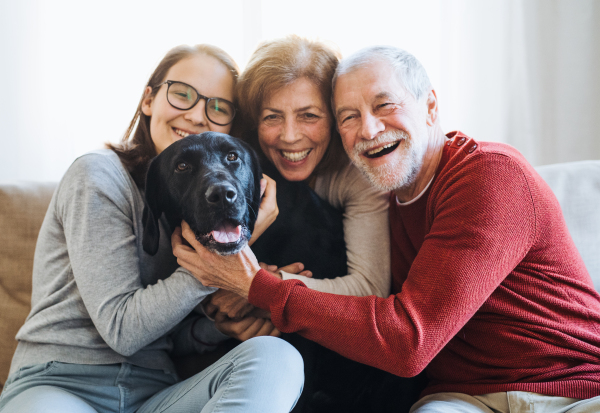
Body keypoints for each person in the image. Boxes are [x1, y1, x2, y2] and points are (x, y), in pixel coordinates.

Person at [172, 45, 600, 412]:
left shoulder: (489, 175)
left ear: (431, 106)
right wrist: (248, 309)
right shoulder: (379, 192)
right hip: (461, 398)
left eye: (385, 105)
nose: (370, 129)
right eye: (349, 116)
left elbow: (408, 341)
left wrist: (258, 287)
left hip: (570, 386)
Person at [0, 44, 303, 413]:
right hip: (61, 382)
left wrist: (219, 328)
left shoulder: (199, 205)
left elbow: (169, 334)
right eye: (182, 94)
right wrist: (232, 253)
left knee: (277, 358)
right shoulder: (98, 175)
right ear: (148, 100)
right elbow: (122, 330)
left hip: (153, 395)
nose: (196, 115)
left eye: (217, 107)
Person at [202, 36, 394, 412]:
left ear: (336, 116)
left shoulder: (358, 171)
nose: (290, 136)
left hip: (344, 362)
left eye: (309, 115)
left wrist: (260, 288)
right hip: (256, 354)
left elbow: (369, 288)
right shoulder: (236, 165)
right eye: (272, 117)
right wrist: (218, 317)